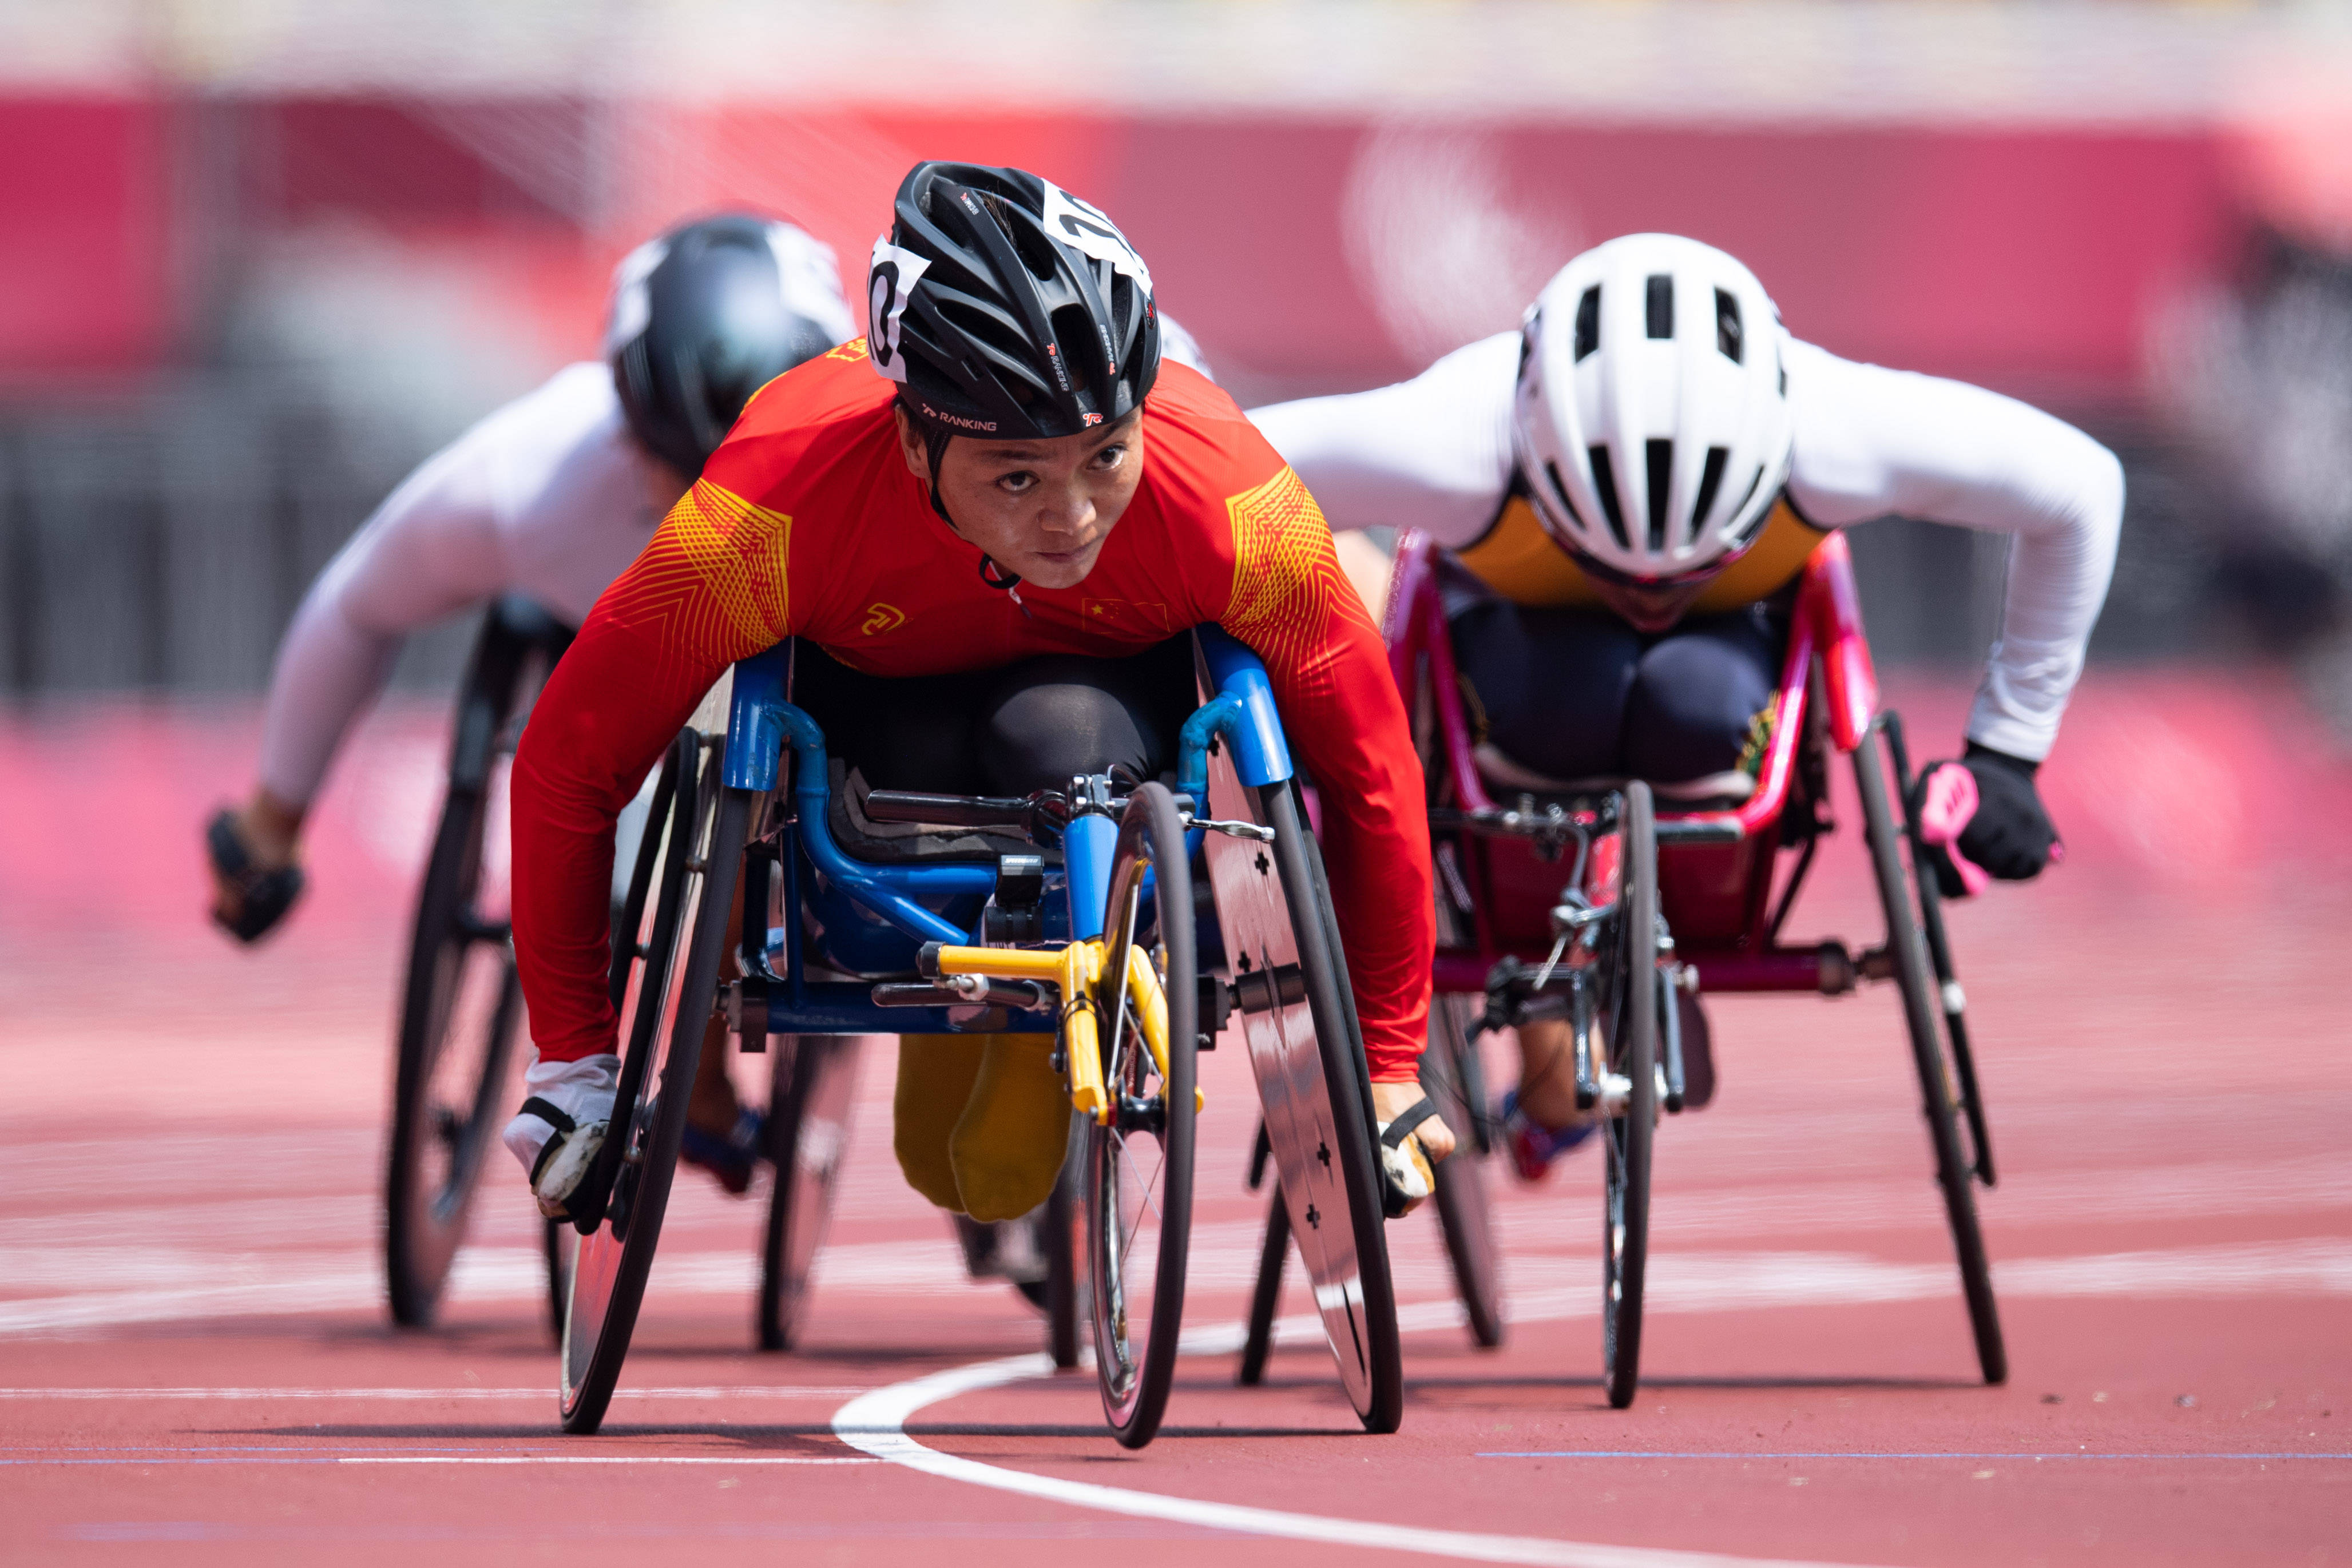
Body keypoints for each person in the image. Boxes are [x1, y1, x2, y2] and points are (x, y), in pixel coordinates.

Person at [499, 161, 1453, 1230]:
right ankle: (986, 995)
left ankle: (1036, 995)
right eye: (1016, 476)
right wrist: (575, 1063)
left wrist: (1385, 1063)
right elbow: (570, 760)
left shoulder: (1234, 500)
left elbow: (1371, 770)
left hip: (1087, 727)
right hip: (879, 731)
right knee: (944, 1160)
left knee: (1059, 743)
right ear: (914, 441)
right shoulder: (769, 502)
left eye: (1106, 457)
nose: (1075, 517)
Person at [1250, 232, 2121, 1178]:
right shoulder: (1458, 434)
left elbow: (2080, 490)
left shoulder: (1835, 424)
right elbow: (1212, 487)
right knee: (1491, 647)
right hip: (1509, 667)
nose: (1647, 600)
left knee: (1681, 697)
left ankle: (1598, 995)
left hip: (1722, 680)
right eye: (1610, 567)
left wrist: (2008, 753)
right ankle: (1537, 1001)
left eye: (1687, 570)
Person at [207, 212, 858, 1188]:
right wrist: (274, 819)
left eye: (748, 476)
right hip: (607, 668)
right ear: (625, 427)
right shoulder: (525, 480)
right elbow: (356, 609)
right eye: (682, 475)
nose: (709, 519)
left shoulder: (877, 473)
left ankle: (712, 1057)